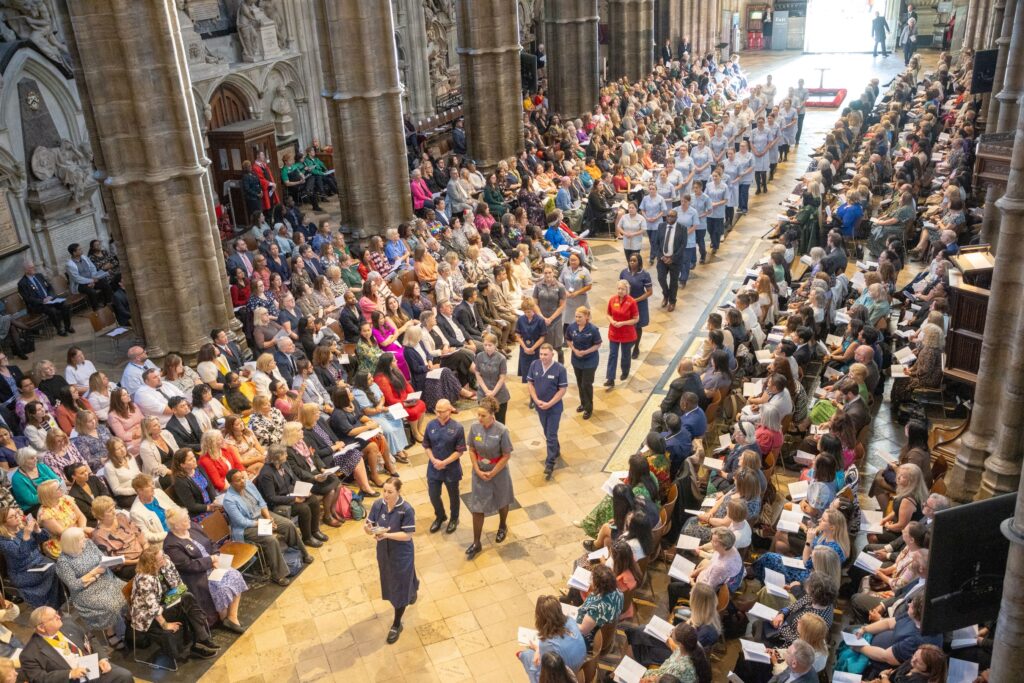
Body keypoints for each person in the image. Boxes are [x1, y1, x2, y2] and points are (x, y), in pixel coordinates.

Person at [162, 506, 247, 632]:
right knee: (222, 587)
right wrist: (210, 561)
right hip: (197, 575)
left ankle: (231, 617)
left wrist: (216, 556)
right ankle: (224, 618)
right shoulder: (171, 544)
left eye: (188, 518)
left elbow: (210, 542)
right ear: (176, 526)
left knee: (235, 575)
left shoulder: (193, 527)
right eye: (185, 520)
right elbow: (188, 565)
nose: (189, 521)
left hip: (214, 564)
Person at [130, 544, 220, 661]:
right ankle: (201, 640)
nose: (165, 557)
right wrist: (165, 625)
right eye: (161, 557)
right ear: (153, 563)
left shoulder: (165, 564)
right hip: (148, 617)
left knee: (187, 598)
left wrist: (176, 591)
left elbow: (179, 585)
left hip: (164, 603)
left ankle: (200, 640)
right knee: (187, 602)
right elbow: (153, 609)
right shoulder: (145, 579)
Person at [222, 468, 311, 586]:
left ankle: (302, 553)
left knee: (288, 524)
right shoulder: (228, 500)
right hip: (246, 527)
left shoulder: (248, 485)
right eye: (238, 480)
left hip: (261, 516)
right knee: (270, 539)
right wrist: (262, 523)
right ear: (231, 484)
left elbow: (262, 502)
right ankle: (278, 575)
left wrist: (268, 517)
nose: (242, 481)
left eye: (242, 478)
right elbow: (241, 521)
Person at [364, 476, 418, 644]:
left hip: (401, 552)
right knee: (391, 579)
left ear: (398, 492)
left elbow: (407, 535)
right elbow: (370, 526)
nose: (386, 495)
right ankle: (413, 586)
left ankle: (396, 624)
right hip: (384, 551)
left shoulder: (406, 510)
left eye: (390, 492)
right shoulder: (378, 505)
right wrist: (367, 529)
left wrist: (386, 534)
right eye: (384, 491)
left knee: (399, 588)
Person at [20, 606, 133, 683]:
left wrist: (103, 658)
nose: (59, 617)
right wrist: (69, 674)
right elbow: (39, 679)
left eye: (57, 614)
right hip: (72, 680)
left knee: (125, 675)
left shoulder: (67, 624)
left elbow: (90, 638)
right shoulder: (29, 654)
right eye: (53, 618)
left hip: (92, 666)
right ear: (41, 627)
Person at [54, 527, 126, 643]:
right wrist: (94, 572)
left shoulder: (88, 544)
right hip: (86, 592)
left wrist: (110, 561)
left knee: (129, 590)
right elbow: (74, 585)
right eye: (81, 539)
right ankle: (110, 631)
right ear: (73, 543)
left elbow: (101, 558)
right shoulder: (63, 562)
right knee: (110, 606)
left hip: (106, 579)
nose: (85, 539)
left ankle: (127, 619)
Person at [464, 397, 514, 560]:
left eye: (483, 415)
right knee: (477, 506)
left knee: (502, 499)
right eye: (478, 415)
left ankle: (502, 526)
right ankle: (476, 542)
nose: (479, 418)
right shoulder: (474, 428)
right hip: (479, 471)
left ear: (492, 415)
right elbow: (471, 449)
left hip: (498, 472)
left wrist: (493, 472)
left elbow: (506, 455)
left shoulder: (502, 430)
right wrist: (477, 469)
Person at [256, 444, 329, 547]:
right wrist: (294, 499)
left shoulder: (284, 464)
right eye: (284, 454)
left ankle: (315, 530)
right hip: (279, 503)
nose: (286, 455)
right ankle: (307, 537)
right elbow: (271, 497)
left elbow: (294, 479)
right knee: (304, 508)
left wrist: (304, 490)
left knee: (313, 500)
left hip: (292, 494)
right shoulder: (266, 474)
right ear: (277, 457)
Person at [0, 507, 61, 609]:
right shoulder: (2, 540)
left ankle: (54, 604)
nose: (17, 517)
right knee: (53, 569)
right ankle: (49, 605)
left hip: (39, 562)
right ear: (4, 522)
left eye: (16, 514)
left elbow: (45, 537)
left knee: (58, 566)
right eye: (12, 516)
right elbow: (21, 554)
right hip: (22, 572)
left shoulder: (22, 528)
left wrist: (37, 529)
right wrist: (27, 534)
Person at [517, 595, 586, 683]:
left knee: (527, 656)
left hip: (566, 673)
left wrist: (538, 650)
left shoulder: (548, 643)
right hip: (581, 663)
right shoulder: (570, 620)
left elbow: (547, 663)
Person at [423, 399, 465, 535]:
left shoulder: (457, 428)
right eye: (437, 410)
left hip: (451, 469)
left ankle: (454, 518)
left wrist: (444, 462)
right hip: (434, 467)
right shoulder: (430, 425)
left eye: (441, 411)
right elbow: (427, 446)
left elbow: (459, 451)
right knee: (433, 495)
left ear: (449, 410)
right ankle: (440, 516)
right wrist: (433, 460)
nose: (438, 413)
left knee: (453, 496)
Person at [528, 344, 568, 481]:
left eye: (546, 354)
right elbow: (530, 383)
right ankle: (555, 450)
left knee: (550, 435)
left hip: (554, 408)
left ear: (552, 354)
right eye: (541, 354)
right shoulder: (534, 365)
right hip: (540, 406)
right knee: (547, 431)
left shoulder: (560, 369)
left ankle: (549, 463)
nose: (543, 357)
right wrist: (535, 400)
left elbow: (562, 390)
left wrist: (550, 403)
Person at [89, 496, 146, 580]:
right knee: (148, 569)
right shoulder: (98, 535)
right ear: (100, 516)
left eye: (113, 508)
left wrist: (146, 549)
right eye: (109, 511)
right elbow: (113, 561)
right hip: (126, 566)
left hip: (143, 554)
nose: (114, 512)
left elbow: (139, 533)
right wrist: (137, 561)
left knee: (163, 558)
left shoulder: (121, 517)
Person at [17, 262, 73, 337]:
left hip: (50, 299)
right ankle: (59, 329)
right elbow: (28, 298)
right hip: (38, 305)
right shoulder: (22, 283)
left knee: (65, 305)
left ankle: (67, 326)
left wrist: (50, 296)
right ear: (26, 270)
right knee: (52, 310)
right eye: (31, 267)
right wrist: (42, 301)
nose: (34, 268)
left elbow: (49, 287)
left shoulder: (39, 276)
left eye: (34, 266)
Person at [564, 306, 601, 419]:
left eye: (580, 317)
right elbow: (568, 339)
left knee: (586, 384)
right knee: (580, 383)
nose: (577, 319)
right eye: (576, 316)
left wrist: (585, 352)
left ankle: (589, 408)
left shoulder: (593, 329)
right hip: (576, 359)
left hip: (590, 360)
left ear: (586, 317)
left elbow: (597, 344)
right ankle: (583, 403)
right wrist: (574, 350)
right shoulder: (572, 327)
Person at [130, 473, 180, 544]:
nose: (153, 487)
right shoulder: (135, 512)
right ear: (140, 491)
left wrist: (182, 522)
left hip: (178, 528)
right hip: (164, 540)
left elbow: (175, 507)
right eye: (149, 486)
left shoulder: (158, 492)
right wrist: (168, 535)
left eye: (152, 484)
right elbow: (146, 535)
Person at [656, 208, 687, 312]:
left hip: (675, 260)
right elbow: (656, 244)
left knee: (673, 282)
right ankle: (666, 295)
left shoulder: (682, 228)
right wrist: (662, 257)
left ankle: (672, 301)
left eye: (672, 216)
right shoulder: (661, 226)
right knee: (661, 278)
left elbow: (683, 246)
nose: (669, 218)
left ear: (676, 217)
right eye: (668, 216)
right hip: (662, 259)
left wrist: (672, 258)